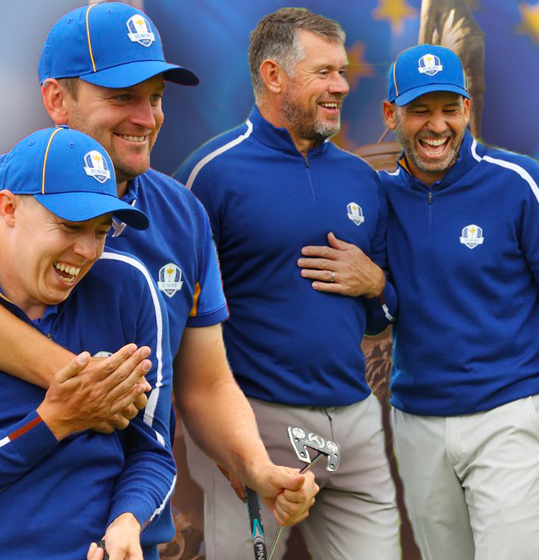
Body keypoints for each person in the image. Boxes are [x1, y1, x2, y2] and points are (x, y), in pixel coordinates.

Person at [0, 3, 316, 556]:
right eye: (121, 97)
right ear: (56, 101)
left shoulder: (182, 215)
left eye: (156, 97)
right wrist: (82, 389)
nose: (146, 117)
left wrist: (255, 467)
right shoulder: (17, 188)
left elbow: (204, 384)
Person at [174, 8, 401, 559]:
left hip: (356, 424)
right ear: (274, 76)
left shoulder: (361, 180)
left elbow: (384, 313)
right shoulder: (212, 174)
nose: (342, 86)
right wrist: (218, 439)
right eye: (324, 72)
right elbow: (174, 316)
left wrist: (376, 285)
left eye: (342, 71)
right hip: (255, 423)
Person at [0, 126, 173, 560]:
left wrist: (127, 521)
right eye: (69, 226)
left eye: (101, 231)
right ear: (6, 209)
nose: (86, 251)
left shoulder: (128, 286)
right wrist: (52, 422)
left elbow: (153, 450)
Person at [376, 44, 539, 559]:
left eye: (449, 109)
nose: (437, 126)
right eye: (420, 110)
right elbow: (379, 315)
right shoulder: (378, 196)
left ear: (467, 111)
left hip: (513, 413)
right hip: (416, 421)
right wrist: (373, 286)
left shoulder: (519, 182)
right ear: (392, 115)